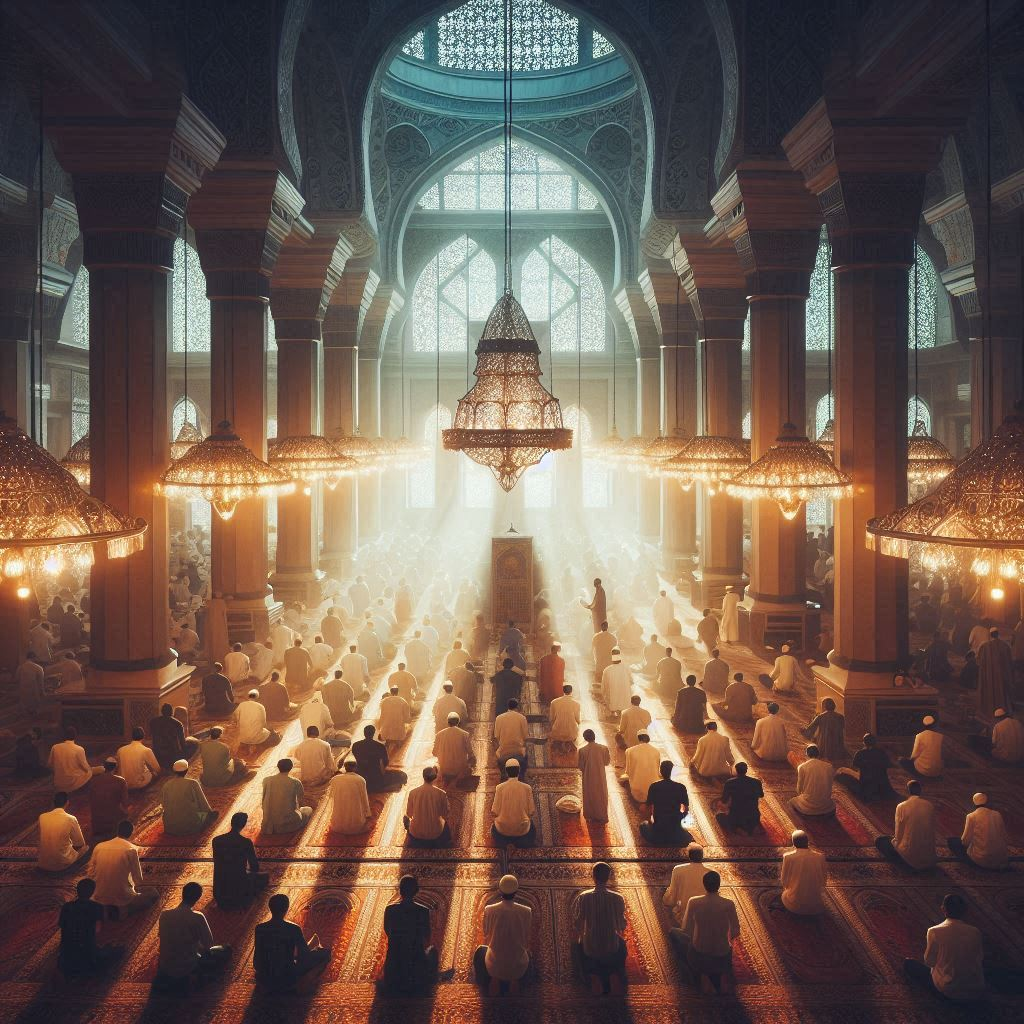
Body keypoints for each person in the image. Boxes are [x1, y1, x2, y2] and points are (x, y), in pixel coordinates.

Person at [902, 894, 986, 1002]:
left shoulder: (934, 931)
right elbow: (980, 958)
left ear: (943, 909)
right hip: (975, 989)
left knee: (909, 964)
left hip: (949, 989)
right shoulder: (975, 932)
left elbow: (929, 962)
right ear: (965, 911)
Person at [669, 871, 740, 994]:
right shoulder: (729, 904)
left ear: (704, 884)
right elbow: (735, 931)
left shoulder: (694, 901)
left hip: (698, 956)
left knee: (673, 933)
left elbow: (686, 929)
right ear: (719, 884)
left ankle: (692, 974)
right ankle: (715, 978)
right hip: (722, 958)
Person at [155, 882, 232, 990]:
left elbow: (164, 938)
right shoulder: (197, 917)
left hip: (165, 967)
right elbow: (208, 944)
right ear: (198, 898)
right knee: (226, 950)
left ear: (183, 894)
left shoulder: (164, 915)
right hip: (188, 967)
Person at [254, 892, 331, 993]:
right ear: (286, 908)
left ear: (270, 908)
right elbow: (304, 956)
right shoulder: (293, 928)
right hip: (287, 975)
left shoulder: (260, 928)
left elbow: (258, 958)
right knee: (325, 953)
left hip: (264, 975)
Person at [573, 862, 628, 995]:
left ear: (593, 876)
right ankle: (616, 970)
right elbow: (622, 926)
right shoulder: (618, 898)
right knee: (623, 944)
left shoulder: (584, 897)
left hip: (590, 948)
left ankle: (586, 976)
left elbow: (578, 924)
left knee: (575, 947)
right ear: (608, 877)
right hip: (612, 948)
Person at [382, 875, 442, 995]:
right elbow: (427, 936)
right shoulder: (423, 911)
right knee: (432, 951)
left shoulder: (390, 910)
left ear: (400, 890)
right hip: (415, 966)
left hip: (394, 965)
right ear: (416, 891)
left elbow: (388, 931)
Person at [474, 874, 532, 995]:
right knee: (528, 954)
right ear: (516, 891)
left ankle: (487, 983)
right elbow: (526, 936)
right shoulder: (526, 911)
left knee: (480, 951)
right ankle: (519, 985)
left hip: (494, 965)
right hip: (519, 966)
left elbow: (486, 933)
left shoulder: (489, 909)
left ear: (500, 891)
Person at [88, 820, 158, 918]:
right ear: (131, 833)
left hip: (99, 896)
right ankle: (122, 911)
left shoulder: (99, 846)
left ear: (118, 831)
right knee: (153, 893)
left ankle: (105, 910)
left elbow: (90, 873)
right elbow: (138, 880)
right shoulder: (130, 850)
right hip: (123, 898)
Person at [875, 780, 937, 870]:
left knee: (880, 841)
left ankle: (905, 866)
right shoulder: (930, 805)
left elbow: (898, 837)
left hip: (910, 860)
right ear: (920, 791)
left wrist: (893, 841)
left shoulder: (902, 806)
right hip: (930, 859)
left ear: (908, 791)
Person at [212, 812, 269, 908]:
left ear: (231, 823)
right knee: (264, 877)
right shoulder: (245, 842)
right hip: (239, 894)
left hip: (219, 892)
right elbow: (254, 867)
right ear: (243, 825)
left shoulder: (216, 840)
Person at [948, 792, 1009, 870]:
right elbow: (1004, 836)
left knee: (952, 841)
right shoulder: (997, 814)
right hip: (1000, 859)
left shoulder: (971, 816)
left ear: (974, 802)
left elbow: (965, 841)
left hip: (982, 860)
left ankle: (977, 866)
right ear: (986, 801)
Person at [640, 761, 691, 844]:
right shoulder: (681, 787)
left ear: (660, 771)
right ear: (672, 771)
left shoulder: (654, 786)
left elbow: (648, 808)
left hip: (659, 828)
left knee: (643, 825)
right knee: (686, 837)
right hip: (675, 828)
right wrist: (678, 818)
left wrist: (650, 822)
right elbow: (686, 810)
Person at [162, 759, 217, 835]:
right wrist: (210, 814)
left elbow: (164, 805)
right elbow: (203, 804)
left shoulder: (167, 785)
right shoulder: (192, 783)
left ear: (174, 771)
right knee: (210, 815)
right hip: (191, 826)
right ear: (187, 770)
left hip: (170, 827)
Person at [38, 791, 88, 871]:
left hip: (43, 864)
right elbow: (80, 843)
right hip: (61, 865)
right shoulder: (71, 818)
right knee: (86, 849)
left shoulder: (42, 817)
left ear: (53, 803)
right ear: (67, 802)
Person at [780, 830, 827, 915]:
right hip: (816, 906)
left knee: (785, 895)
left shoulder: (788, 857)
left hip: (793, 905)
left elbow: (784, 882)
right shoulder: (820, 857)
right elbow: (823, 881)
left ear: (794, 844)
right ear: (807, 842)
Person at [261, 759, 312, 835]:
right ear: (291, 767)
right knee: (308, 810)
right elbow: (301, 799)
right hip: (288, 824)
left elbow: (264, 798)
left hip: (268, 825)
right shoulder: (295, 782)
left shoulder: (266, 780)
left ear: (278, 767)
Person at [835, 733, 894, 800]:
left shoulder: (860, 753)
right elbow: (888, 765)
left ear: (864, 742)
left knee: (840, 772)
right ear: (875, 742)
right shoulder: (882, 752)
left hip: (865, 784)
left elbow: (855, 766)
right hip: (881, 785)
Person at [404, 766, 451, 848]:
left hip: (416, 833)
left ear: (423, 776)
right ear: (435, 777)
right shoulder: (442, 794)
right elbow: (445, 814)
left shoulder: (413, 792)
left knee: (405, 818)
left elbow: (409, 814)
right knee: (445, 824)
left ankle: (413, 841)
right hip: (436, 833)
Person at [491, 761, 536, 846]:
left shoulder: (499, 788)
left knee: (493, 829)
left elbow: (494, 811)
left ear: (506, 772)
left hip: (502, 829)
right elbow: (532, 811)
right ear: (518, 771)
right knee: (532, 828)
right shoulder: (527, 788)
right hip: (522, 830)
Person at [664, 844, 710, 925]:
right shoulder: (710, 873)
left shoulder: (678, 869)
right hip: (704, 916)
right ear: (702, 856)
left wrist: (667, 898)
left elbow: (672, 895)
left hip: (683, 915)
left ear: (689, 856)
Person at [352, 724, 407, 791]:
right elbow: (386, 762)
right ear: (373, 733)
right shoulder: (380, 746)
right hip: (376, 777)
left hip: (361, 776)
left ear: (364, 733)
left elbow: (356, 757)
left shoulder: (356, 745)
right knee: (401, 775)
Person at [715, 762, 764, 834]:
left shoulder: (730, 783)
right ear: (746, 770)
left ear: (736, 770)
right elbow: (761, 795)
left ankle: (736, 828)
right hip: (753, 816)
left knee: (719, 816)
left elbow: (724, 799)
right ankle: (751, 827)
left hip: (736, 817)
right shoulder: (757, 782)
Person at [327, 760, 372, 835]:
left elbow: (331, 796)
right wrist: (368, 815)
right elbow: (365, 800)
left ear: (345, 768)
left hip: (337, 826)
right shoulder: (360, 780)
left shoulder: (334, 780)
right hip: (356, 826)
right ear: (356, 768)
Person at [789, 745, 835, 816]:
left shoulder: (802, 767)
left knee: (791, 802)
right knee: (832, 805)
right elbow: (830, 786)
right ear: (818, 754)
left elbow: (799, 790)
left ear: (807, 754)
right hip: (826, 805)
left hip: (808, 806)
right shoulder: (829, 767)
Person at [150, 702, 199, 770]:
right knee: (195, 744)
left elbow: (151, 737)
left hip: (157, 755)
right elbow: (183, 744)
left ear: (161, 712)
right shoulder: (177, 724)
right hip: (172, 757)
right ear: (172, 713)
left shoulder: (153, 722)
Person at [977, 627, 1013, 718]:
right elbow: (1009, 663)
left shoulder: (985, 647)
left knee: (990, 692)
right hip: (1002, 677)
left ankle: (988, 710)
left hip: (989, 677)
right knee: (1002, 693)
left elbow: (980, 663)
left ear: (990, 635)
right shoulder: (1005, 646)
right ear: (998, 634)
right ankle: (1003, 711)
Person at [90, 757, 129, 839]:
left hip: (97, 822)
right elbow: (125, 803)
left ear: (104, 766)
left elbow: (91, 800)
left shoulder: (94, 780)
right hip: (113, 822)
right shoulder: (121, 781)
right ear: (115, 767)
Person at [577, 728, 611, 823]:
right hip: (600, 776)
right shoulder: (604, 748)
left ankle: (590, 816)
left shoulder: (582, 750)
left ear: (585, 739)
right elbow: (607, 762)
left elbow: (580, 766)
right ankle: (602, 815)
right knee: (601, 794)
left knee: (589, 794)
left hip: (588, 777)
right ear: (594, 737)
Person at [800, 697, 846, 763]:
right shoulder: (840, 717)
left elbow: (810, 729)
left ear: (824, 706)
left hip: (824, 745)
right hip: (837, 744)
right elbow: (844, 729)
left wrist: (803, 731)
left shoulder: (820, 717)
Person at [432, 712, 476, 782]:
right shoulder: (465, 734)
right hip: (459, 770)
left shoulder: (439, 734)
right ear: (458, 722)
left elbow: (434, 753)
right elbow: (470, 753)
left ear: (447, 722)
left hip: (444, 769)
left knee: (435, 765)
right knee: (471, 766)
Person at [494, 697, 529, 777]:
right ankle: (522, 775)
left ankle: (503, 775)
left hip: (503, 751)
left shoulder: (499, 718)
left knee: (498, 754)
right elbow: (525, 736)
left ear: (508, 706)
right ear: (517, 707)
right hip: (518, 751)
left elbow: (496, 736)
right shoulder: (522, 718)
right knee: (526, 755)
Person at [623, 731, 661, 803]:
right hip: (654, 790)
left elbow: (627, 772)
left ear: (638, 738)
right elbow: (657, 772)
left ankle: (638, 805)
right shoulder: (656, 751)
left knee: (624, 782)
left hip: (637, 791)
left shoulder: (629, 751)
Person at [600, 648, 632, 716]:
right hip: (625, 700)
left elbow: (604, 686)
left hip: (612, 701)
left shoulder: (607, 669)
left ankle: (612, 713)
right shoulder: (626, 668)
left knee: (612, 701)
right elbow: (631, 681)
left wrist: (603, 694)